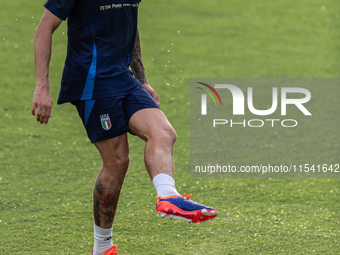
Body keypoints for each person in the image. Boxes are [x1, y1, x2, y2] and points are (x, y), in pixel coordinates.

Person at [31, 1, 218, 254]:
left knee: (164, 133)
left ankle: (168, 197)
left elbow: (130, 22)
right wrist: (42, 87)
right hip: (91, 80)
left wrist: (142, 78)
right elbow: (44, 28)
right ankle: (102, 247)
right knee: (117, 161)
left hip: (122, 77)